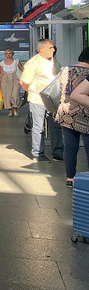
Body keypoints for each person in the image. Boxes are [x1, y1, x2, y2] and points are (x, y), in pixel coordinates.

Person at [20, 39, 62, 162]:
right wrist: (33, 92)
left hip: (53, 99)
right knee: (38, 128)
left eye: (53, 48)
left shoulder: (54, 61)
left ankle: (58, 152)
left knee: (56, 125)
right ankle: (38, 153)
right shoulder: (33, 63)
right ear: (41, 49)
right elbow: (24, 82)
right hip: (37, 100)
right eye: (51, 48)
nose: (53, 50)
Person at [57, 48, 89, 188]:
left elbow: (57, 90)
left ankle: (70, 178)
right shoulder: (88, 74)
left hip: (67, 113)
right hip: (85, 115)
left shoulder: (65, 70)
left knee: (70, 147)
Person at [0, 48, 24, 117]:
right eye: (7, 54)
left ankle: (15, 108)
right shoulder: (2, 63)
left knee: (15, 94)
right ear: (5, 55)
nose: (8, 55)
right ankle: (10, 110)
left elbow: (22, 69)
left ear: (12, 54)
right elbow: (1, 73)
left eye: (10, 53)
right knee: (7, 95)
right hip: (5, 79)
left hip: (15, 78)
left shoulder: (16, 61)